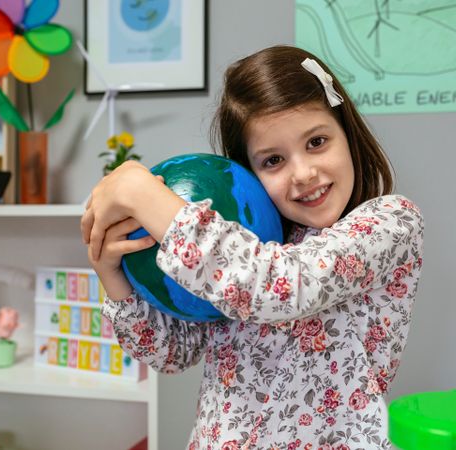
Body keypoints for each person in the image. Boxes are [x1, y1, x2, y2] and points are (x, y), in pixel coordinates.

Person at [81, 45, 424, 449]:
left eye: (316, 141)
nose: (304, 173)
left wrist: (145, 196)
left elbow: (283, 286)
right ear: (247, 172)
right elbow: (172, 353)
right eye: (273, 160)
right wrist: (112, 276)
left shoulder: (391, 223)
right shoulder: (246, 245)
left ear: (347, 133)